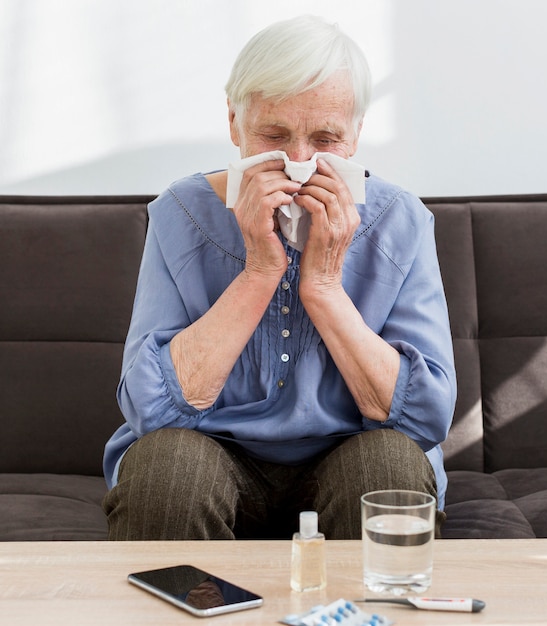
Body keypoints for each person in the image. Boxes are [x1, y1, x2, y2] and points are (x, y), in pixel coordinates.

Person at [102, 15, 456, 541]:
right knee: (164, 470)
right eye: (273, 135)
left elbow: (425, 417)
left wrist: (324, 288)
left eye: (325, 138)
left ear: (356, 133)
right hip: (213, 456)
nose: (297, 164)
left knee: (389, 468)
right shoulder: (181, 214)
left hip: (349, 455)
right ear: (234, 125)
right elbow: (150, 409)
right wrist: (261, 270)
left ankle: (355, 624)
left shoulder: (401, 221)